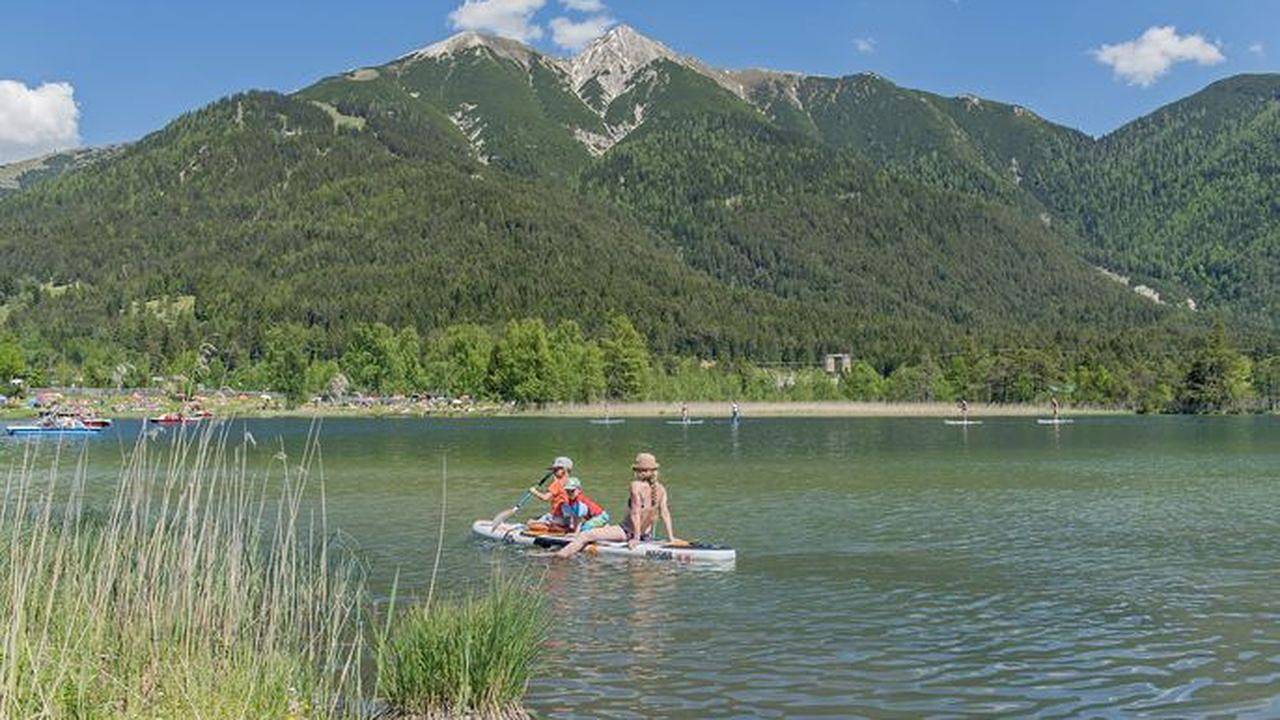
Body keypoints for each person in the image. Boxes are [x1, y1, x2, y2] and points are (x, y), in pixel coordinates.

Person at [556, 452, 680, 558]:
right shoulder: (661, 488)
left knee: (585, 535)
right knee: (597, 532)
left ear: (637, 471)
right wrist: (671, 537)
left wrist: (636, 538)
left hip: (627, 532)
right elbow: (665, 513)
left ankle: (558, 557)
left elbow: (635, 513)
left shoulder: (635, 485)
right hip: (645, 535)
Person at [530, 456, 573, 524]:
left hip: (557, 517)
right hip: (568, 517)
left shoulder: (556, 483)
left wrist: (534, 491)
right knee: (538, 518)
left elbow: (545, 498)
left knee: (530, 521)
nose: (553, 472)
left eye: (556, 470)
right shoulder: (572, 482)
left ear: (564, 470)